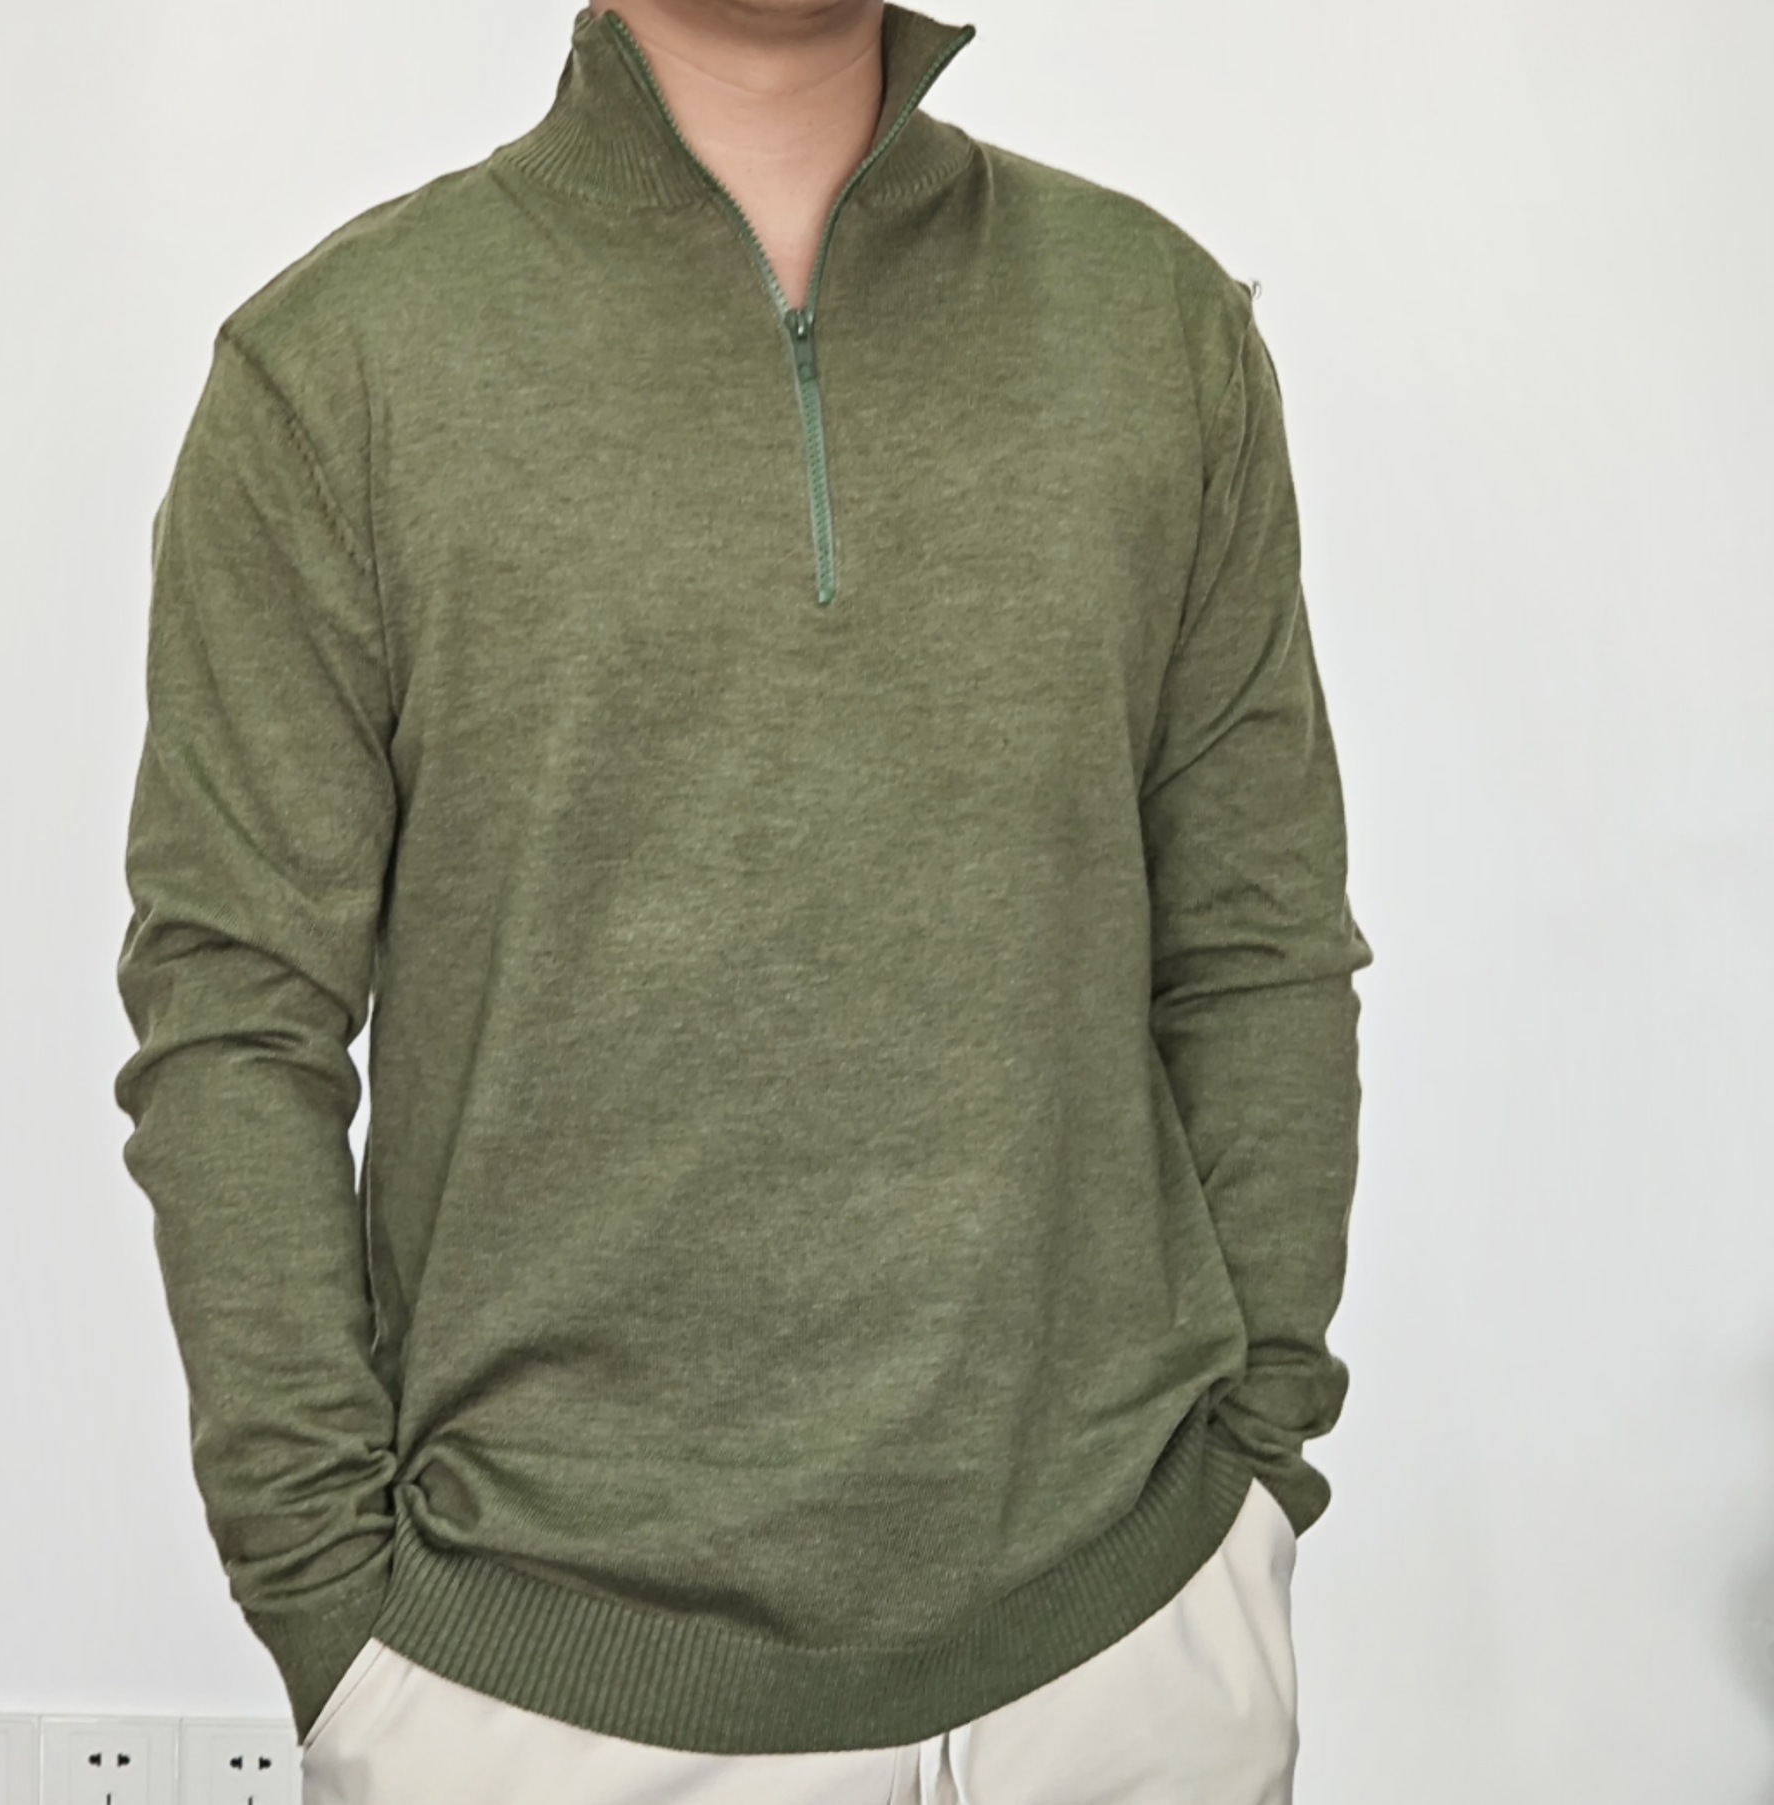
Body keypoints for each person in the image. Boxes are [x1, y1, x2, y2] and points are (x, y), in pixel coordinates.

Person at [112, 1, 1375, 1799]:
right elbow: (235, 1014)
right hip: (529, 1691)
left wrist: (1249, 1471)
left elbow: (1258, 945)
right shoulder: (341, 372)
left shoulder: (1154, 327)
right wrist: (340, 1611)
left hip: (1127, 1659)